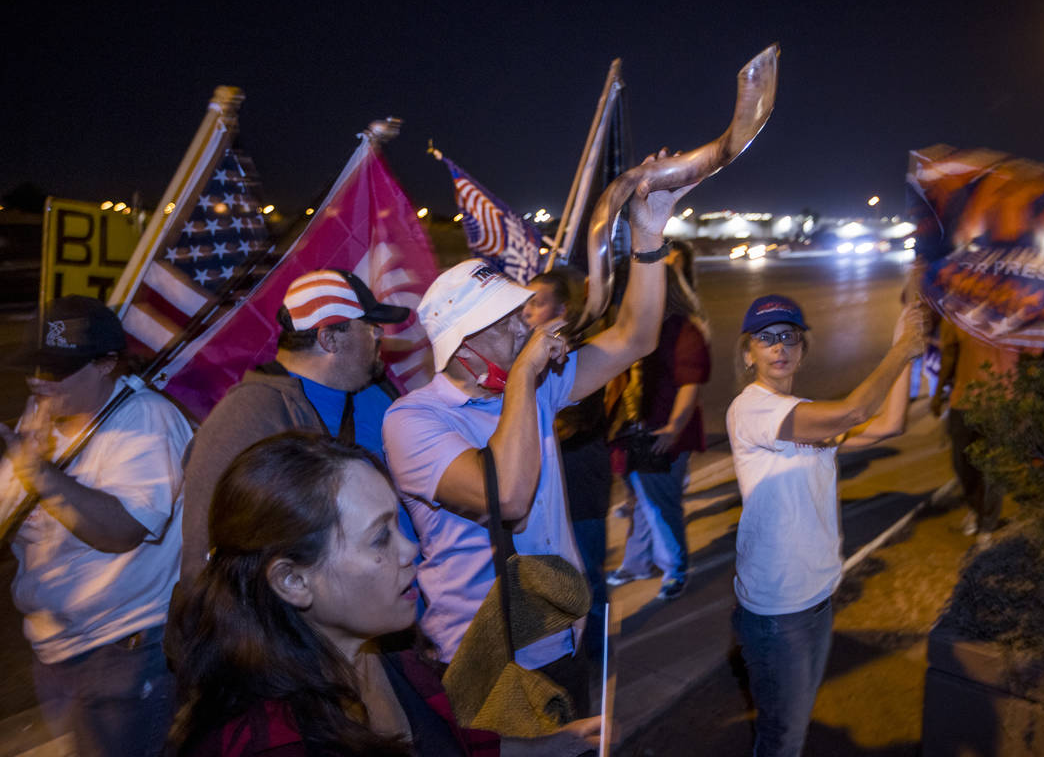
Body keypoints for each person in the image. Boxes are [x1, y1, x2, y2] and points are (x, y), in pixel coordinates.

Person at [384, 151, 693, 712]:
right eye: (504, 320)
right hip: (483, 656)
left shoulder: (530, 391)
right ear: (463, 343)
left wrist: (648, 234)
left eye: (519, 313)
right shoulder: (413, 420)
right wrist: (526, 374)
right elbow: (507, 495)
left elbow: (635, 337)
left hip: (557, 635)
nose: (522, 324)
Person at [167, 432, 601, 756]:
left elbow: (453, 745)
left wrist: (557, 745)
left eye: (399, 525)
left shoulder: (389, 650)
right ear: (293, 581)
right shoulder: (276, 743)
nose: (410, 549)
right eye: (380, 538)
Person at [727, 294, 926, 757]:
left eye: (789, 337)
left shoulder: (805, 412)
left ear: (802, 350)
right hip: (778, 613)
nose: (779, 347)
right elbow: (855, 412)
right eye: (766, 338)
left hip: (816, 600)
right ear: (747, 353)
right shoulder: (750, 408)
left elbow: (889, 423)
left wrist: (904, 341)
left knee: (791, 729)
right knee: (783, 739)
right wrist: (900, 353)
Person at [0, 296, 192, 757]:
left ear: (106, 363)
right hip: (55, 649)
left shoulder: (146, 420)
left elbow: (122, 530)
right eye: (34, 366)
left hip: (125, 651)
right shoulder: (41, 414)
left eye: (56, 369)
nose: (37, 381)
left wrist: (40, 474)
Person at [181, 269, 414, 584]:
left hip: (402, 611)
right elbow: (209, 550)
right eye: (371, 327)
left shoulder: (381, 393)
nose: (380, 336)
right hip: (307, 625)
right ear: (329, 338)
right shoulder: (248, 414)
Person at [607, 240, 711, 601]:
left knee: (661, 504)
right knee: (641, 501)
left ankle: (675, 570)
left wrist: (674, 428)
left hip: (665, 434)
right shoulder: (638, 327)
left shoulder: (682, 329)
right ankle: (636, 563)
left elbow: (689, 383)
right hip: (635, 431)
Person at [522, 267, 611, 658]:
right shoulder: (530, 352)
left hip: (580, 479)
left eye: (536, 303)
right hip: (553, 482)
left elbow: (578, 421)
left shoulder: (572, 353)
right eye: (524, 304)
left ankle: (594, 653)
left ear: (562, 308)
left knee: (587, 572)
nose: (526, 312)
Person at [929, 319, 1018, 538]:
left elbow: (1034, 352)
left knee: (993, 469)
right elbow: (949, 354)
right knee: (963, 464)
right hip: (964, 401)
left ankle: (986, 527)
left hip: (1002, 402)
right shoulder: (958, 311)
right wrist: (939, 392)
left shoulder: (1019, 307)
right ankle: (978, 512)